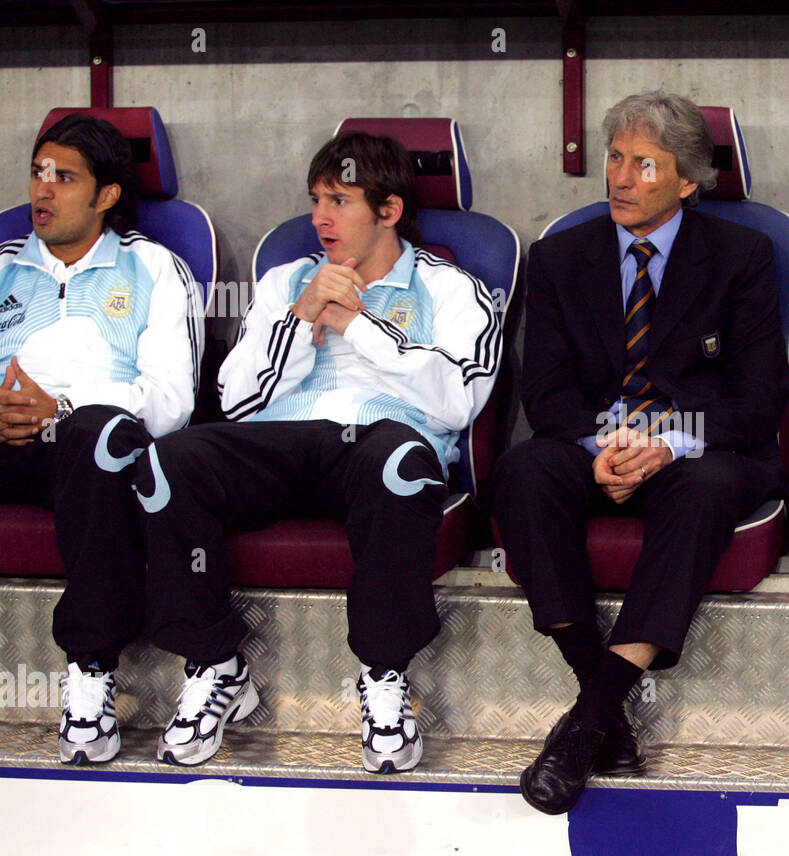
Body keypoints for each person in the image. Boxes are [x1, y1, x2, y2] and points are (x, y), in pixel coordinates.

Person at [134, 131, 500, 773]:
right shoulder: (285, 280)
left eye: (340, 200)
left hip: (380, 445)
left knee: (400, 462)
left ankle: (385, 680)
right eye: (315, 200)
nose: (320, 218)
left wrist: (358, 325)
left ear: (388, 211)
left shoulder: (450, 288)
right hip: (280, 445)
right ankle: (217, 665)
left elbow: (458, 402)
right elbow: (236, 400)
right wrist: (302, 320)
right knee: (170, 460)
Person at [491, 90, 788, 814]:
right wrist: (601, 448)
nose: (621, 178)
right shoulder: (561, 255)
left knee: (706, 487)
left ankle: (588, 721)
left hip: (698, 448)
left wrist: (666, 441)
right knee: (525, 471)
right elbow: (547, 390)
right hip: (596, 441)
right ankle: (607, 709)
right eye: (616, 158)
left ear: (688, 180)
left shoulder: (743, 256)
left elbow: (757, 401)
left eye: (645, 164)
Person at [0, 114, 203, 765]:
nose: (43, 191)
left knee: (96, 435)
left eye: (65, 178)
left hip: (97, 451)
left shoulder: (154, 269)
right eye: (38, 173)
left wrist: (63, 405)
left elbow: (172, 403)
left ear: (107, 195)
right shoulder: (3, 267)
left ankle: (90, 673)